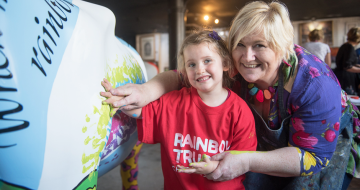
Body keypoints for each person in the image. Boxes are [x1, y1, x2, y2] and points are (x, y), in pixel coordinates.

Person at [105, 1, 360, 189]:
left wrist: (246, 161)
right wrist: (145, 91)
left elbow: (312, 157)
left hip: (317, 148)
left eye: (259, 46)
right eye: (240, 44)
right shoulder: (231, 66)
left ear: (282, 48)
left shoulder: (316, 86)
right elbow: (181, 76)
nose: (247, 58)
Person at [101, 30, 257, 190]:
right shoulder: (173, 101)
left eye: (207, 60)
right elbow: (142, 113)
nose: (199, 69)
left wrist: (214, 167)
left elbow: (243, 161)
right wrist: (121, 100)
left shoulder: (240, 112)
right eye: (192, 64)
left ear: (224, 63)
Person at [334, 27, 360, 95]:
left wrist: (357, 66)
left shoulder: (345, 45)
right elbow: (347, 67)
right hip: (346, 78)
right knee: (348, 100)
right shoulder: (350, 48)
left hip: (340, 75)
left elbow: (345, 62)